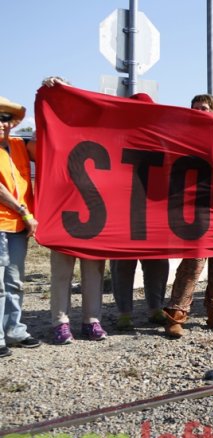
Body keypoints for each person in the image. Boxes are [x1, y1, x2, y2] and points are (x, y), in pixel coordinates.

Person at [162, 94, 213, 338]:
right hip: (195, 206)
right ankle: (177, 314)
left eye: (204, 108)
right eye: (195, 108)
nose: (199, 112)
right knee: (193, 262)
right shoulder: (183, 137)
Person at [38, 76, 108, 344]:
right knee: (62, 272)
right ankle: (59, 322)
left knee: (93, 272)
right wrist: (52, 89)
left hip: (96, 214)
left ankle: (91, 320)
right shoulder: (52, 130)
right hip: (62, 213)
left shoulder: (97, 130)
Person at [109, 93, 170, 331]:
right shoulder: (114, 137)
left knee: (157, 262)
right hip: (122, 211)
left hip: (155, 212)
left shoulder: (161, 139)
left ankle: (156, 308)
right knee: (122, 264)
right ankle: (124, 312)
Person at [0, 96, 41, 356]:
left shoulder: (19, 145)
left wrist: (54, 99)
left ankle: (14, 330)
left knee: (14, 280)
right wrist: (25, 212)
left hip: (18, 225)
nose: (1, 123)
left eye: (5, 118)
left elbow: (45, 144)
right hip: (9, 220)